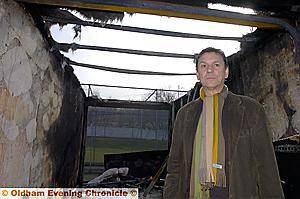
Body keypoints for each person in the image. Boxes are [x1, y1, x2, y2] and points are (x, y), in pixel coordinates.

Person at [163, 47, 284, 199]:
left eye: (216, 65)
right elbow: (175, 167)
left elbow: (266, 165)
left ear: (226, 72)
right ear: (197, 74)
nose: (209, 70)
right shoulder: (185, 114)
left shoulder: (250, 109)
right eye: (203, 66)